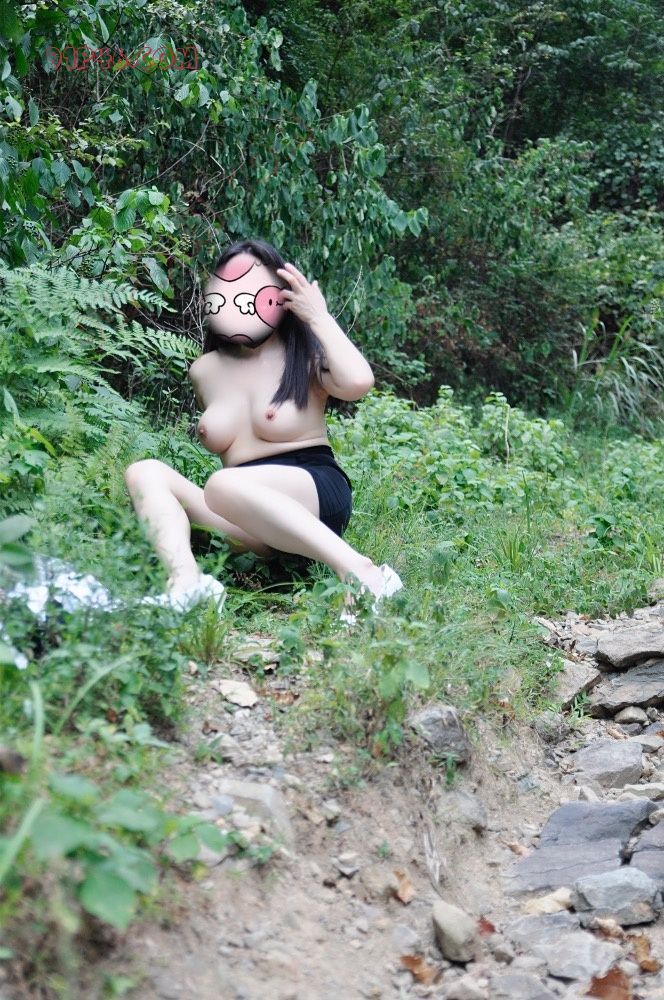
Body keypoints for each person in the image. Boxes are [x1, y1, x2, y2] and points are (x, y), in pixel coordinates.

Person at [124, 237, 402, 613]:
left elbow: (358, 383)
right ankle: (186, 584)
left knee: (222, 484)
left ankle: (364, 574)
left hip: (313, 496)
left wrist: (318, 317)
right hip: (247, 518)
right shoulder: (205, 369)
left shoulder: (304, 356)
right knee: (145, 472)